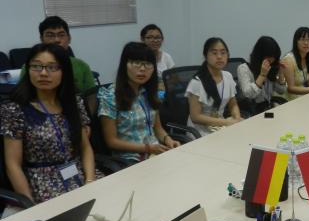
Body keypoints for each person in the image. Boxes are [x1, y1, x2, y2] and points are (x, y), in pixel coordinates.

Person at [1, 43, 96, 204]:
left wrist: (91, 182)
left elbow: (86, 148)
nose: (43, 73)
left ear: (64, 71)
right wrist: (29, 204)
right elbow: (12, 165)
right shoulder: (15, 109)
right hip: (44, 185)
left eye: (52, 67)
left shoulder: (73, 102)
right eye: (36, 66)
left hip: (80, 174)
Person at [98, 42, 179, 163]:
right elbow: (112, 141)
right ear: (125, 65)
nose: (142, 69)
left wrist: (168, 140)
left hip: (155, 153)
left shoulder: (148, 92)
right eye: (136, 63)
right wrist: (147, 148)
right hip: (129, 160)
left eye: (148, 64)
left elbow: (157, 128)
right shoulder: (110, 96)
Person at [186, 37, 242, 135]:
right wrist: (227, 122)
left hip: (220, 126)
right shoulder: (197, 82)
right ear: (205, 56)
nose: (219, 57)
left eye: (223, 53)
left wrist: (237, 119)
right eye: (214, 53)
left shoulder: (228, 76)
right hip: (200, 131)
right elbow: (195, 117)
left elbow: (233, 104)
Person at [37, 15, 96, 93]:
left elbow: (91, 96)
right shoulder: (31, 68)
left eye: (61, 35)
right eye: (50, 35)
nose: (57, 40)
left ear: (69, 39)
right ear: (42, 39)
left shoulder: (82, 66)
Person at [236, 35, 287, 115]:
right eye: (269, 56)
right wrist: (262, 75)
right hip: (251, 112)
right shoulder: (243, 69)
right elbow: (248, 94)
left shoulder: (271, 65)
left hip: (268, 108)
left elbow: (281, 91)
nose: (272, 59)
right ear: (260, 55)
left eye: (274, 57)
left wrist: (281, 72)